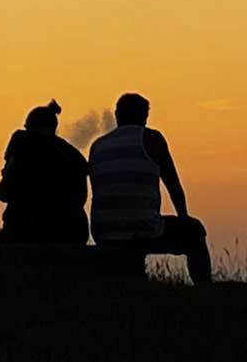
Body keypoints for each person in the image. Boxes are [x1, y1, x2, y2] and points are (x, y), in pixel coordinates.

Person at [87, 92, 211, 283]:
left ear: (117, 115)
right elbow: (174, 186)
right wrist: (183, 217)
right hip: (141, 229)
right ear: (144, 116)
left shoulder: (97, 145)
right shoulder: (152, 139)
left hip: (103, 231)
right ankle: (205, 290)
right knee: (194, 231)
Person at [0, 99, 88, 244]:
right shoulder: (74, 155)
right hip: (73, 233)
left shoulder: (24, 144)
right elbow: (81, 198)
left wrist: (7, 172)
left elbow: (3, 193)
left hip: (30, 231)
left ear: (29, 126)